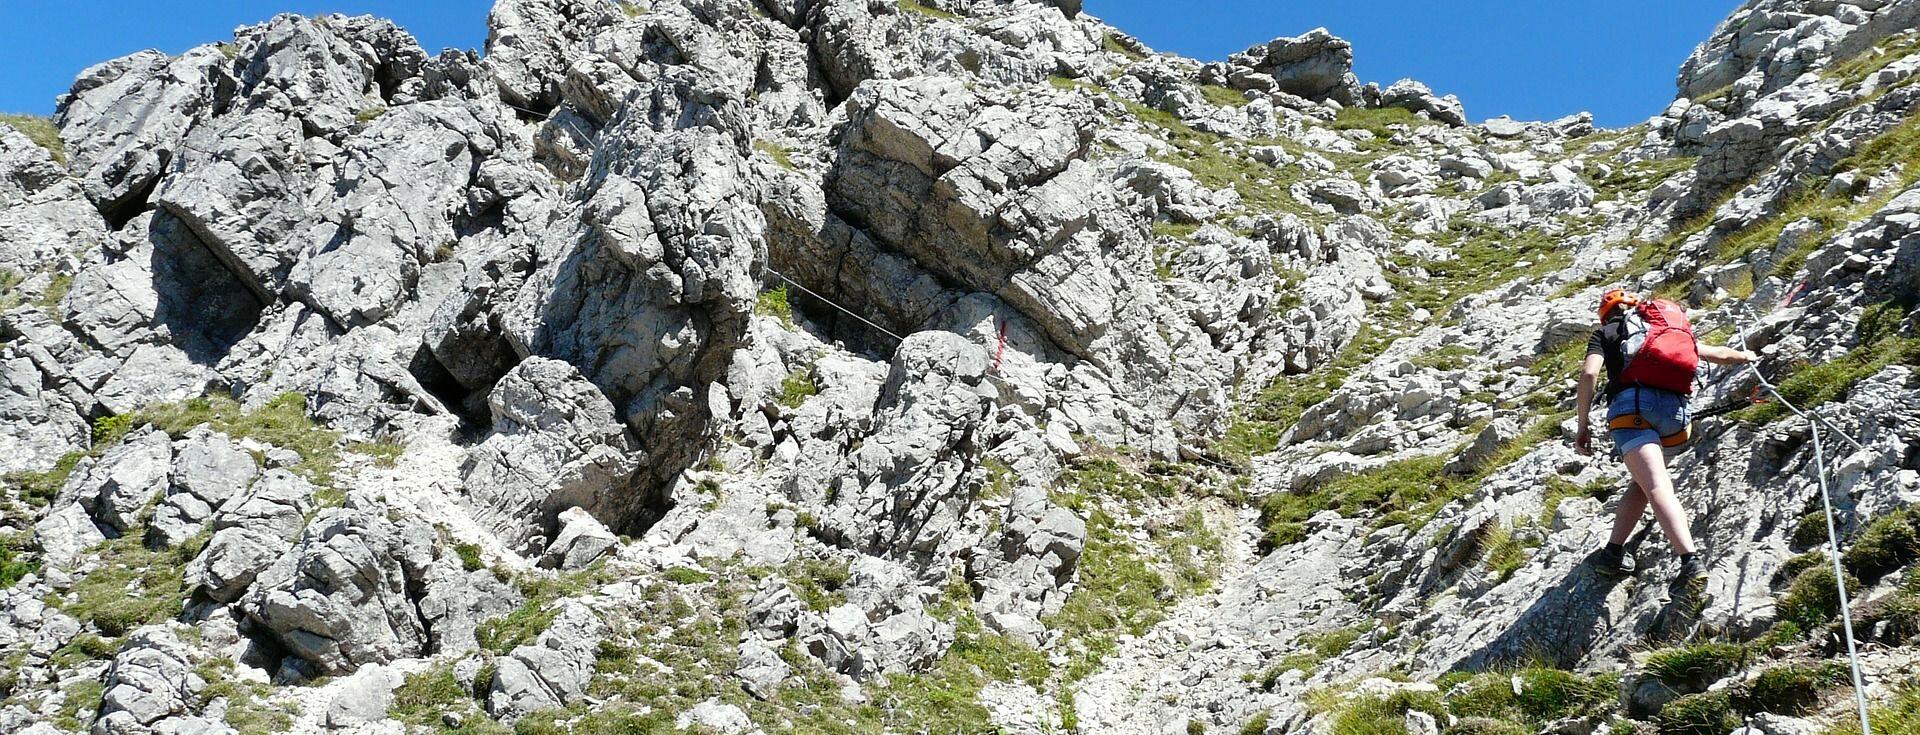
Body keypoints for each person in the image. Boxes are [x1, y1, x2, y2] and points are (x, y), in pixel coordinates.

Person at [1574, 289, 1757, 587]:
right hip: (1675, 418)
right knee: (1645, 480)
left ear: (1605, 314)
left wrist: (1582, 426)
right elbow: (1718, 354)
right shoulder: (1661, 328)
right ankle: (1613, 552)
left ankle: (1690, 562)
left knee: (1655, 484)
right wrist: (1746, 356)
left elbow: (1589, 375)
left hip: (1631, 412)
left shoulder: (1606, 332)